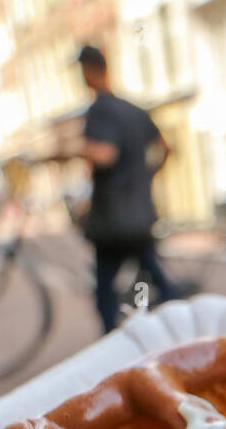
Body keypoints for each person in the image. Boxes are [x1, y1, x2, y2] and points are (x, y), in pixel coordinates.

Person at [73, 45, 180, 334]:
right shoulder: (135, 111)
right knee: (154, 276)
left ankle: (114, 345)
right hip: (140, 212)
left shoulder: (98, 110)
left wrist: (68, 150)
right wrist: (147, 176)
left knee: (105, 292)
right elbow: (166, 148)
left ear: (90, 71)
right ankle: (177, 314)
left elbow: (105, 154)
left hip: (112, 219)